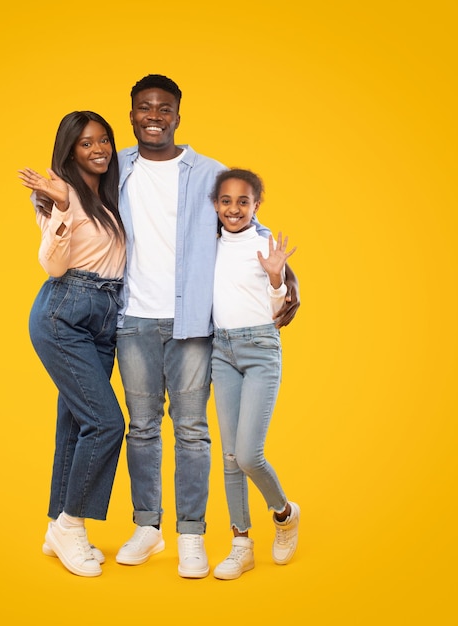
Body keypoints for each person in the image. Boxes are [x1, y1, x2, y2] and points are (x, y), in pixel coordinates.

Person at [114, 74, 300, 578]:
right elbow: (77, 197)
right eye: (145, 107)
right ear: (131, 114)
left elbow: (251, 230)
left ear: (178, 114)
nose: (155, 115)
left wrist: (291, 283)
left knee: (193, 431)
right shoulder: (117, 167)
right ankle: (147, 528)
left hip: (195, 324)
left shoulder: (211, 173)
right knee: (143, 428)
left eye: (165, 107)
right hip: (132, 317)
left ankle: (191, 534)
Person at [18, 110, 126, 578]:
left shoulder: (110, 193)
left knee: (78, 422)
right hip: (65, 310)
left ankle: (56, 527)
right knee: (107, 423)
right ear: (70, 150)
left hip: (105, 316)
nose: (99, 149)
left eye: (104, 139)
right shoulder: (59, 194)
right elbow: (52, 266)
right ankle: (72, 524)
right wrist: (62, 206)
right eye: (86, 144)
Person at [210, 168, 300, 580]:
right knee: (229, 458)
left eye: (243, 202)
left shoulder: (264, 244)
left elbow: (277, 309)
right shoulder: (207, 244)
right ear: (215, 205)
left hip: (261, 348)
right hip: (221, 350)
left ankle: (284, 514)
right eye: (226, 201)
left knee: (248, 454)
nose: (234, 209)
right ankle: (241, 543)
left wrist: (277, 277)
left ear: (256, 206)